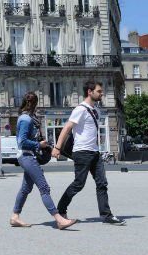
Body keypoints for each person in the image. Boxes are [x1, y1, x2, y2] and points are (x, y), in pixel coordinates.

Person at [52, 81, 125, 225]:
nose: (102, 93)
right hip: (82, 152)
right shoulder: (80, 109)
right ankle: (60, 209)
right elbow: (67, 128)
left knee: (102, 183)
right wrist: (57, 147)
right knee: (79, 184)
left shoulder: (96, 111)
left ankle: (106, 215)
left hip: (95, 152)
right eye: (99, 91)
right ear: (90, 92)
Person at [11, 92, 78, 229]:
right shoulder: (25, 119)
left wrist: (45, 146)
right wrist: (38, 145)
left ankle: (15, 216)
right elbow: (22, 142)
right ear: (34, 104)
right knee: (44, 187)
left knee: (26, 188)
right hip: (26, 155)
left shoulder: (30, 118)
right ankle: (59, 219)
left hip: (29, 155)